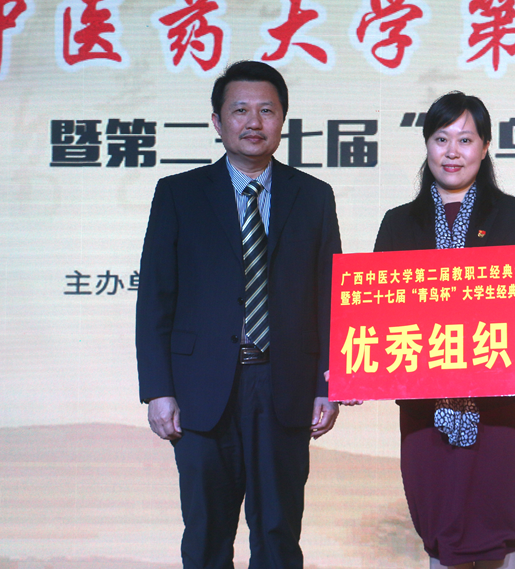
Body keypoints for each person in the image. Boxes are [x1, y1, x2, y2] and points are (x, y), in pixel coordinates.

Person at [136, 60, 343, 569]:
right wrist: (158, 389)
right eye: (240, 110)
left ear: (283, 120)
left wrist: (330, 383)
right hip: (200, 389)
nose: (254, 122)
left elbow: (331, 295)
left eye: (267, 111)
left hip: (285, 385)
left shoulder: (313, 196)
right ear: (217, 120)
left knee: (277, 535)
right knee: (206, 534)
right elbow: (156, 298)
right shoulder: (179, 194)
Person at [374, 92, 515, 569]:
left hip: (501, 414)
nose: (452, 152)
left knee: (503, 532)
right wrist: (353, 366)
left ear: (485, 146)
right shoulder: (398, 224)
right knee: (440, 534)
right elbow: (377, 317)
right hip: (427, 413)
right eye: (441, 139)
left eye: (465, 139)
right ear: (426, 145)